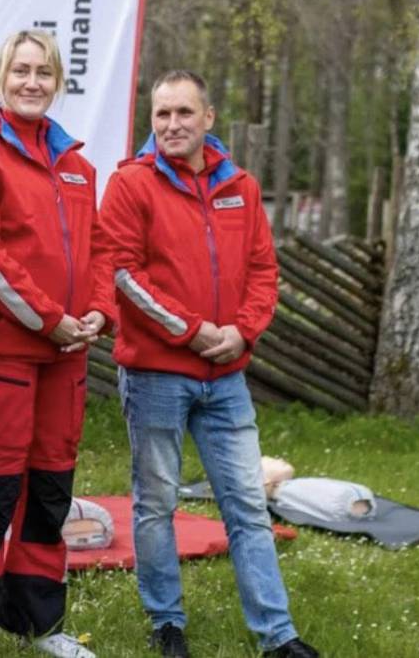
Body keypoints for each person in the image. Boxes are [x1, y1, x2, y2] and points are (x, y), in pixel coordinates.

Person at [98, 70, 318, 658]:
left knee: (247, 504)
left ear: (209, 118)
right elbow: (123, 275)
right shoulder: (130, 184)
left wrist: (243, 331)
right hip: (156, 375)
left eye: (184, 113)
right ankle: (166, 623)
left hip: (226, 377)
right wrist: (192, 333)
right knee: (156, 505)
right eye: (162, 114)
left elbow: (263, 270)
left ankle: (278, 635)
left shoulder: (240, 186)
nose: (172, 124)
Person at [0, 30, 114, 658]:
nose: (32, 82)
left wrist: (99, 310)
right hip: (0, 353)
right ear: (1, 79)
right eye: (21, 70)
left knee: (50, 489)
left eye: (43, 72)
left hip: (66, 356)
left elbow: (101, 250)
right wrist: (48, 319)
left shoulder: (78, 167)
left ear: (58, 82)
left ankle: (39, 623)